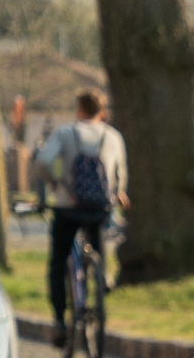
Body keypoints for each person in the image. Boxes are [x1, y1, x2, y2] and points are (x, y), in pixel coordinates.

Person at [34, 89, 129, 335]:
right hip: (99, 207)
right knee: (98, 244)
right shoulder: (112, 136)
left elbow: (44, 161)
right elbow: (120, 172)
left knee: (58, 261)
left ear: (79, 110)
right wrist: (118, 192)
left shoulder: (65, 132)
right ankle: (101, 276)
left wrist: (56, 185)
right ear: (102, 112)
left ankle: (58, 320)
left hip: (68, 207)